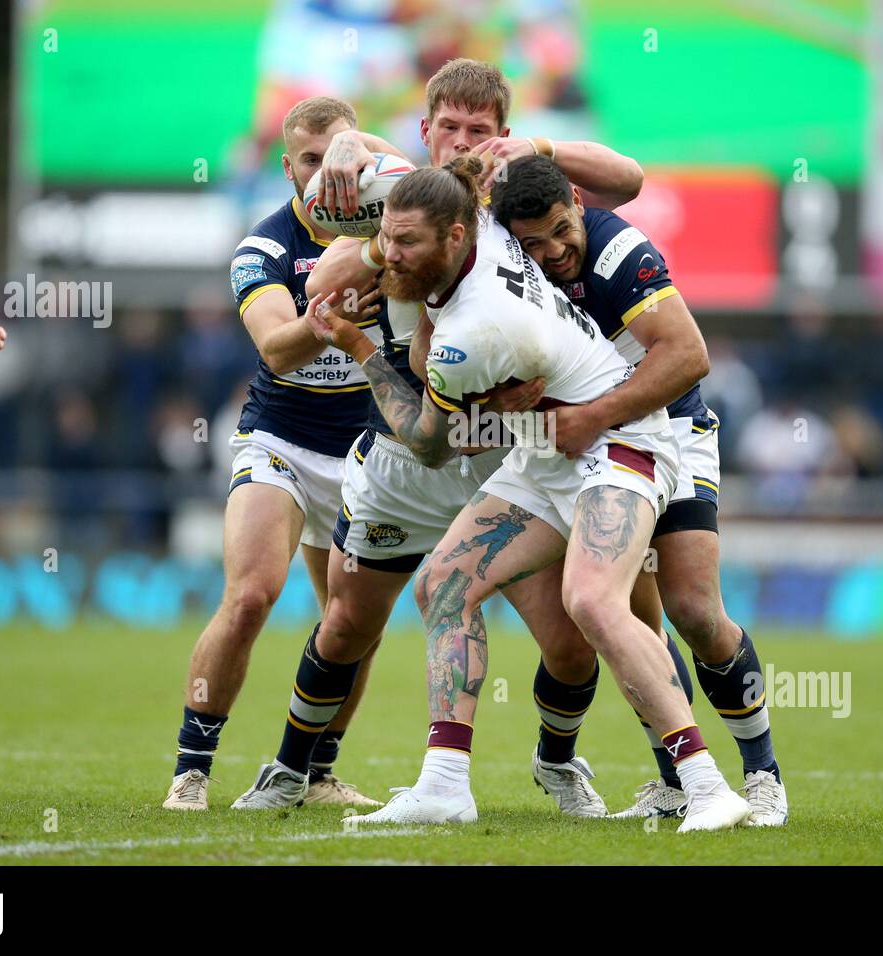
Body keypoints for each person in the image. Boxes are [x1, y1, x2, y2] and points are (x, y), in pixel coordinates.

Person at [237, 59, 649, 816]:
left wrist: (538, 152)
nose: (464, 140)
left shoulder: (517, 202)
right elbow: (327, 271)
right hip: (402, 458)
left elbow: (627, 179)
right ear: (424, 133)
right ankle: (291, 769)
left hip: (503, 457)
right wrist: (355, 178)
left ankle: (558, 763)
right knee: (348, 623)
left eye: (481, 130)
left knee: (567, 638)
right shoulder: (389, 199)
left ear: (503, 133)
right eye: (450, 128)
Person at [308, 157, 751, 832]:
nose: (387, 257)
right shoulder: (477, 229)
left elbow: (428, 441)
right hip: (548, 452)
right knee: (446, 585)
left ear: (454, 238)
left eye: (404, 245)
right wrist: (345, 152)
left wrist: (358, 346)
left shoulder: (477, 335)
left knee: (592, 602)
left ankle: (707, 785)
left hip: (620, 446)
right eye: (385, 241)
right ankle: (445, 785)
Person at [490, 156, 788, 824]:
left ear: (575, 201)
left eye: (561, 231)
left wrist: (590, 417)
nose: (553, 252)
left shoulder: (620, 247)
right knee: (634, 623)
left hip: (670, 434)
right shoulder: (505, 263)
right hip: (586, 449)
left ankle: (764, 775)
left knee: (694, 610)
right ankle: (676, 784)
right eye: (532, 244)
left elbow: (687, 356)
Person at [162, 96, 397, 811]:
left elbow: (436, 184)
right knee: (251, 595)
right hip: (282, 441)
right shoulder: (264, 247)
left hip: (367, 453)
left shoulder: (396, 228)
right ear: (288, 165)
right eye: (307, 159)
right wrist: (325, 325)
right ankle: (192, 769)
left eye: (338, 155)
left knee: (353, 625)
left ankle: (315, 772)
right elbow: (274, 346)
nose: (323, 172)